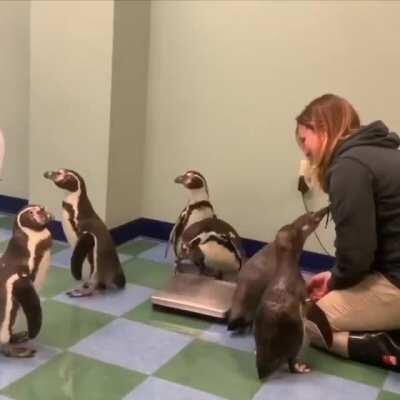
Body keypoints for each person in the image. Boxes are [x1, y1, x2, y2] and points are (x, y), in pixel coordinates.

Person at [295, 94, 400, 371]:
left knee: (303, 322)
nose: (304, 151)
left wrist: (336, 281)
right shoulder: (381, 153)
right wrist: (335, 276)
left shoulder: (348, 167)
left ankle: (389, 347)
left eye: (304, 140)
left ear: (323, 129)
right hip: (392, 272)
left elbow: (358, 253)